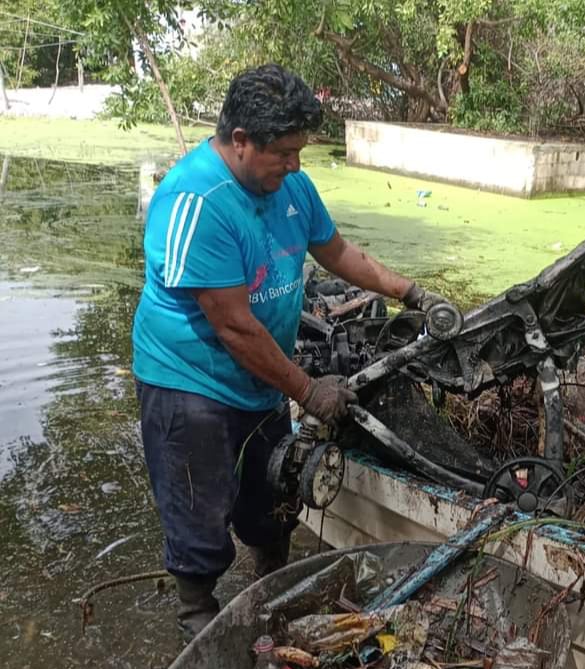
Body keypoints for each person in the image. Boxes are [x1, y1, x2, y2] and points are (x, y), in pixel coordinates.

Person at [132, 64, 449, 639]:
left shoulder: (290, 188)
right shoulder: (195, 200)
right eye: (284, 152)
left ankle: (268, 589)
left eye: (300, 151)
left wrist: (410, 291)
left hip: (261, 379)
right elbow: (234, 328)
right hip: (190, 384)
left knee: (273, 493)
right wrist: (307, 390)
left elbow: (338, 254)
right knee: (200, 510)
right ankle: (197, 614)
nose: (296, 165)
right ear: (240, 141)